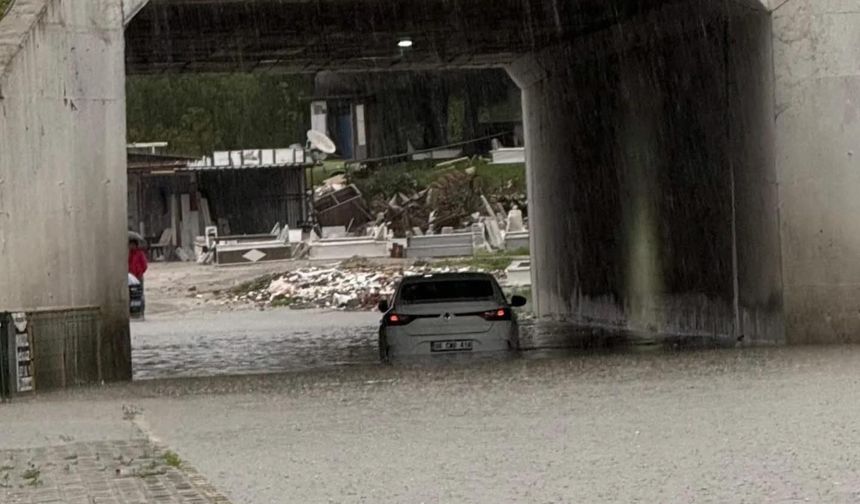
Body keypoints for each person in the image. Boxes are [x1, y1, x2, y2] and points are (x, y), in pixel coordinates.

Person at [129, 239, 148, 315]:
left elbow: (144, 265)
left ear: (136, 245)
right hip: (130, 277)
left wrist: (140, 272)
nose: (131, 246)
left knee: (139, 293)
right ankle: (132, 309)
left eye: (133, 245)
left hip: (138, 276)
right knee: (131, 293)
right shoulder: (128, 253)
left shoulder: (140, 253)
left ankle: (141, 309)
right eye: (130, 245)